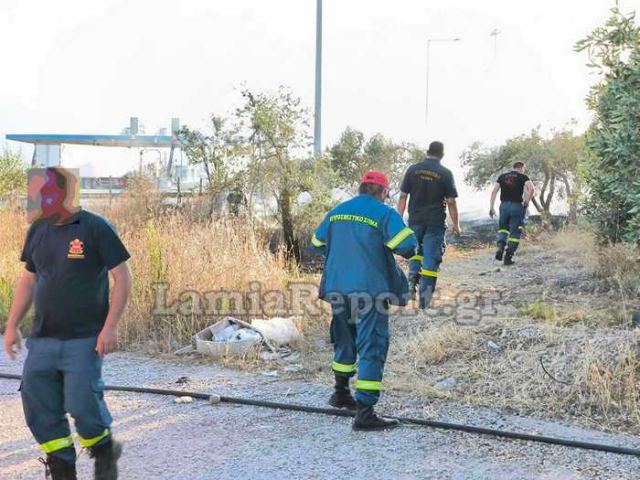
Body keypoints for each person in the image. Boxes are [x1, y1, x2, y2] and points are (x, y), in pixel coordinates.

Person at [3, 167, 132, 480]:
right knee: (37, 402)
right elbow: (29, 281)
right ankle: (62, 467)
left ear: (58, 194)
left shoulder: (95, 227)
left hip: (84, 338)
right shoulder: (37, 231)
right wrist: (12, 325)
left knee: (82, 402)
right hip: (43, 339)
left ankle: (104, 450)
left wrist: (110, 327)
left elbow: (123, 277)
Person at [312, 170, 417, 431]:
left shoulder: (338, 211)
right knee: (372, 345)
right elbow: (407, 247)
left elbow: (315, 242)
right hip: (369, 290)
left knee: (344, 338)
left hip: (338, 287)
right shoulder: (384, 213)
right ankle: (365, 412)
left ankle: (340, 393)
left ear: (361, 188)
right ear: (383, 192)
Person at [396, 141, 461, 309]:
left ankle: (411, 283)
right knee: (431, 258)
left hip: (415, 220)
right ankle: (424, 301)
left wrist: (398, 218)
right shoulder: (445, 173)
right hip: (435, 222)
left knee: (416, 252)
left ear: (427, 151)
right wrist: (456, 224)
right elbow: (451, 201)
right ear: (442, 155)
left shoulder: (413, 169)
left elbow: (403, 196)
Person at [489, 161, 535, 265]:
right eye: (524, 169)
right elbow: (532, 189)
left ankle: (500, 247)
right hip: (516, 206)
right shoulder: (523, 177)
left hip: (504, 206)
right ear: (521, 168)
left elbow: (494, 192)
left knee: (503, 229)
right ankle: (508, 257)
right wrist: (527, 201)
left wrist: (491, 208)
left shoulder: (502, 177)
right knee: (515, 232)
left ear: (513, 167)